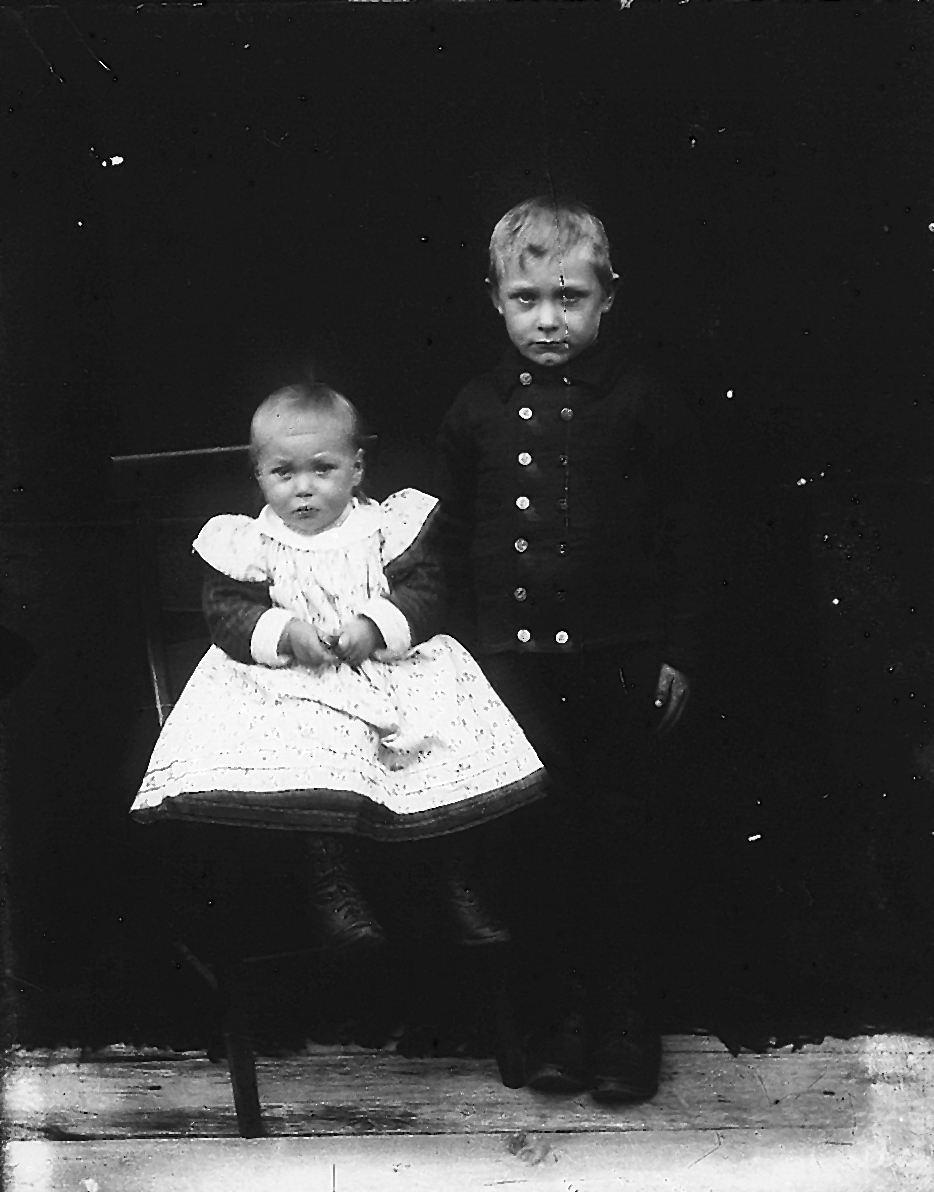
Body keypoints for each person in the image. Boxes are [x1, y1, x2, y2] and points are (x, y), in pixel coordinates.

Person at [435, 197, 708, 1102]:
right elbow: (453, 540)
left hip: (620, 659)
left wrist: (680, 650)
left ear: (608, 296)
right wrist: (468, 659)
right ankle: (559, 1019)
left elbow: (688, 536)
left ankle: (626, 1024)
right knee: (539, 845)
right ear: (494, 299)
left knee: (622, 840)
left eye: (570, 297)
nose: (548, 320)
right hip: (513, 667)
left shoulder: (642, 400)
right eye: (526, 299)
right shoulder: (475, 408)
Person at [131, 381, 547, 950]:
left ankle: (454, 878)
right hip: (296, 683)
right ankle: (332, 884)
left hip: (391, 670)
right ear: (259, 475)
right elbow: (226, 613)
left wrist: (376, 625)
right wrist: (284, 632)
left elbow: (427, 592)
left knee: (440, 743)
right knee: (306, 755)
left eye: (322, 469)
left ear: (356, 469)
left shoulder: (389, 528)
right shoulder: (249, 543)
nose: (304, 488)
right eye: (284, 472)